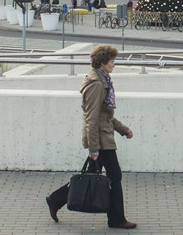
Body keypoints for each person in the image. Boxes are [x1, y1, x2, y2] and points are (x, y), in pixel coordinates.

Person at [45, 44, 137, 229]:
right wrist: (93, 147)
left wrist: (123, 129)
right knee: (115, 176)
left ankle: (55, 200)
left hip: (103, 134)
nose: (114, 65)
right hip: (101, 139)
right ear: (103, 62)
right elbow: (92, 116)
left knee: (91, 175)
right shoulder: (96, 83)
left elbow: (106, 115)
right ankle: (117, 219)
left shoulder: (103, 79)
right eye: (112, 62)